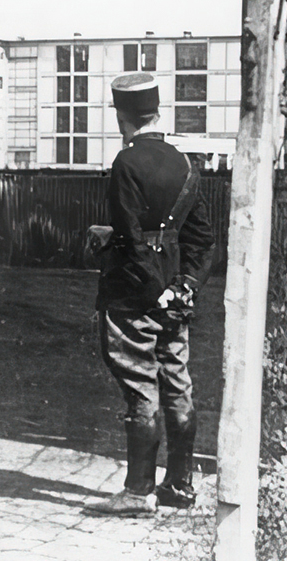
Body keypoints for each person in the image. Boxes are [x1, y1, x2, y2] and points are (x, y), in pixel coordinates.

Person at [84, 72, 215, 517]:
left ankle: (137, 493)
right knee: (178, 385)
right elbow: (201, 241)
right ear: (157, 112)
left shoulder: (127, 162)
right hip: (176, 298)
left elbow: (132, 239)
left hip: (132, 297)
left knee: (141, 389)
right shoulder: (184, 163)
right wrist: (182, 289)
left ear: (121, 115)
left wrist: (154, 291)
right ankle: (179, 486)